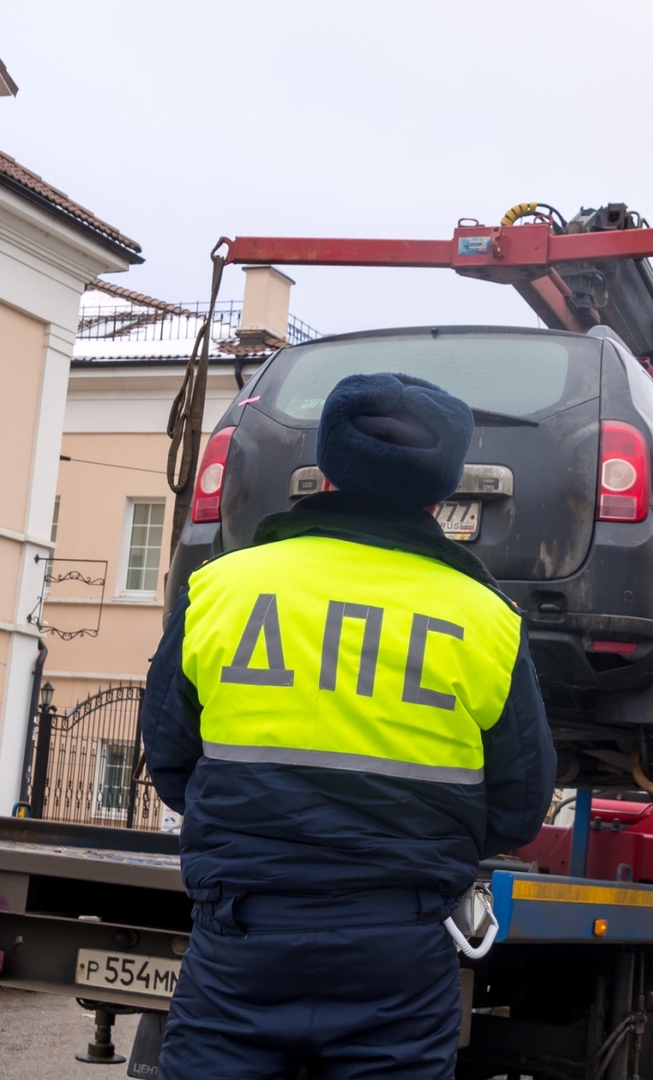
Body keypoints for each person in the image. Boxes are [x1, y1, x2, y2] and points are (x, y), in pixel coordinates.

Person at [140, 372, 556, 1079]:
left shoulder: (226, 588)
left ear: (327, 466)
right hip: (397, 955)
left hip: (241, 942)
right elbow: (518, 807)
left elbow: (173, 760)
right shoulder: (485, 621)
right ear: (440, 490)